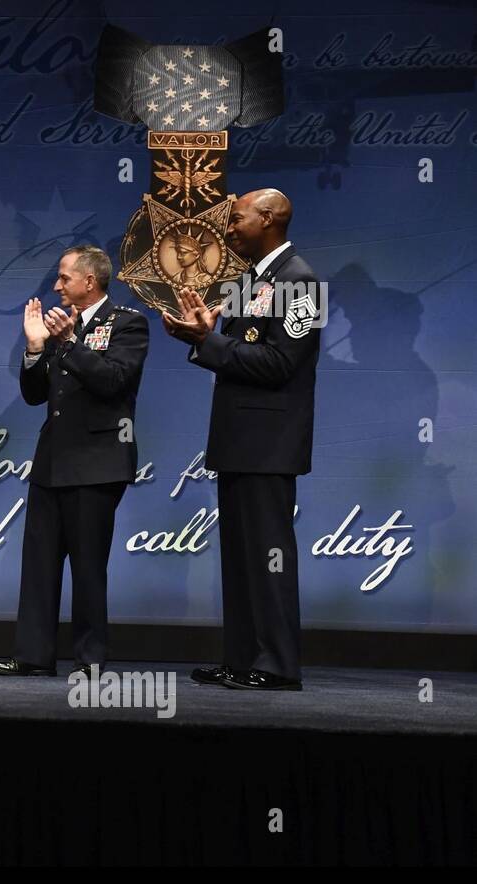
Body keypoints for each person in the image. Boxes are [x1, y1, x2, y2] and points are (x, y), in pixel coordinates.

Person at [162, 188, 320, 691]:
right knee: (240, 559)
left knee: (269, 556)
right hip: (238, 440)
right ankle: (242, 657)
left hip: (269, 443)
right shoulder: (248, 280)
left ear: (268, 218)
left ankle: (277, 664)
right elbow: (234, 348)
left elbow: (281, 363)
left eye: (236, 219)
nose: (229, 227)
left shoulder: (301, 280)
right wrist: (206, 334)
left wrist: (208, 341)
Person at [0, 245, 149, 678]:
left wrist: (69, 343)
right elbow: (35, 394)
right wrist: (34, 348)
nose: (57, 285)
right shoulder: (60, 326)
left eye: (63, 278)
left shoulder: (128, 324)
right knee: (39, 563)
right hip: (52, 461)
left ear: (89, 282)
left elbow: (112, 381)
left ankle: (90, 660)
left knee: (88, 566)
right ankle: (33, 656)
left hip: (98, 462)